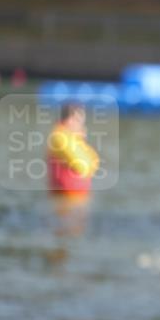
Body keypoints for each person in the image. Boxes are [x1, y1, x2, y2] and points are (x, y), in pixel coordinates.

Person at [47, 102, 101, 239]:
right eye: (79, 120)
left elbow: (94, 162)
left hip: (75, 198)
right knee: (67, 233)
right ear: (70, 119)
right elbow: (83, 166)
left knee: (75, 232)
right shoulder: (59, 137)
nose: (81, 125)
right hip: (66, 199)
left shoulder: (70, 138)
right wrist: (80, 140)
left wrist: (80, 140)